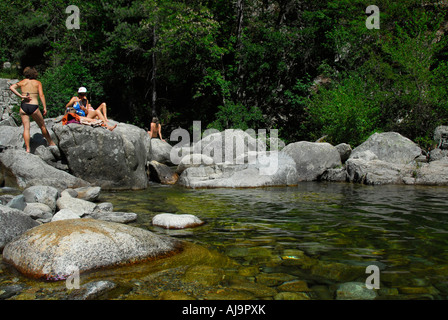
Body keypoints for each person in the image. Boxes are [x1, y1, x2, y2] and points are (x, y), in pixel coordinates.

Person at [9, 67, 56, 153]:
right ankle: (51, 143)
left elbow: (11, 87)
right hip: (34, 106)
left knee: (26, 128)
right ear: (34, 74)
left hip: (24, 106)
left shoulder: (22, 82)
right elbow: (41, 95)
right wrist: (45, 107)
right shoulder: (37, 83)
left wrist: (21, 96)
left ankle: (27, 149)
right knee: (42, 126)